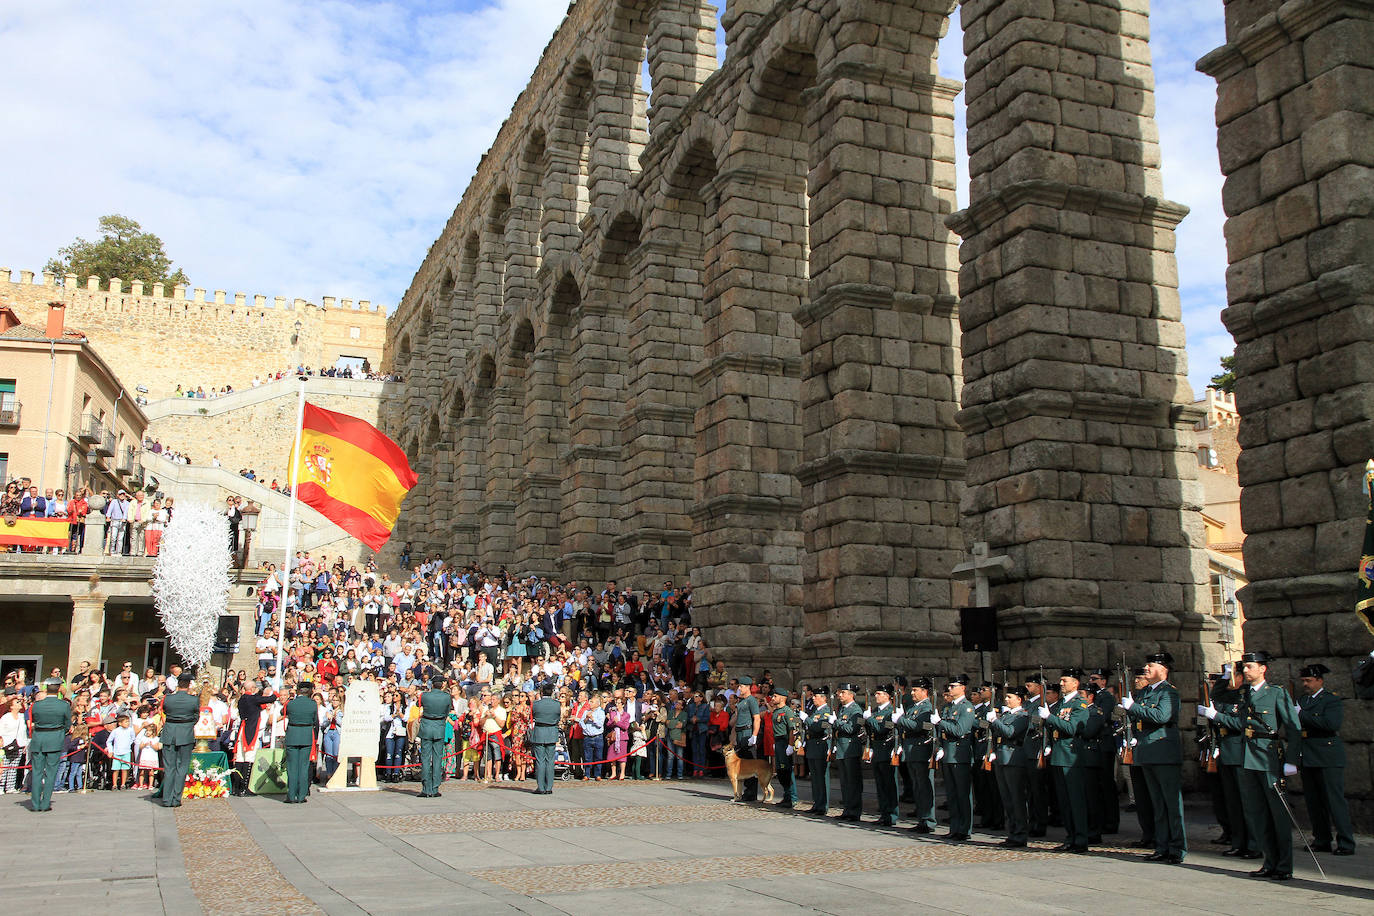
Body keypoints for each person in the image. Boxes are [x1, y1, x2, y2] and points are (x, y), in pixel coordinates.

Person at [1200, 649, 1300, 881]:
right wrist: (1217, 714)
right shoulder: (1244, 693)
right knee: (1256, 813)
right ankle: (1269, 861)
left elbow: (1293, 729)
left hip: (1268, 757)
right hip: (1247, 758)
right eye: (1243, 667)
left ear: (1262, 669)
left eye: (1249, 667)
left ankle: (1284, 865)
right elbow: (1233, 715)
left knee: (1277, 813)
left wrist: (1292, 760)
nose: (1245, 671)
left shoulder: (1276, 693)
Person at [1119, 652, 1185, 864]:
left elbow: (1162, 716)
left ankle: (1176, 848)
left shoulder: (1168, 693)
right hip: (1147, 751)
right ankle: (1162, 845)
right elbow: (1137, 717)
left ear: (1163, 669)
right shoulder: (1146, 691)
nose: (1146, 669)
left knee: (1172, 805)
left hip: (1164, 752)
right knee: (1157, 803)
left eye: (1150, 665)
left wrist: (1133, 707)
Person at [1295, 663, 1355, 855]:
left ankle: (1346, 842)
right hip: (1308, 755)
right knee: (1314, 802)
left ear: (1319, 681)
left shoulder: (1330, 700)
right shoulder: (1302, 700)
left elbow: (1331, 723)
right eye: (1303, 680)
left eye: (1309, 680)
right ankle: (1321, 839)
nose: (1305, 684)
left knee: (1334, 801)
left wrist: (1302, 715)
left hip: (1327, 756)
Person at [1037, 668, 1091, 852]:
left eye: (1065, 681)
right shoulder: (1060, 703)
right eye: (1061, 681)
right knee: (1064, 801)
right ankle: (1070, 836)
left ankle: (1081, 839)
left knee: (1076, 800)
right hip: (1059, 756)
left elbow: (1072, 727)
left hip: (1071, 756)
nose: (1061, 684)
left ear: (1075, 683)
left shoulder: (1079, 703)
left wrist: (1049, 717)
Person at [987, 685, 1031, 847]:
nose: (1006, 699)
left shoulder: (1022, 716)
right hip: (1002, 757)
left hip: (1014, 758)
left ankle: (1020, 834)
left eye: (1010, 697)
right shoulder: (1007, 714)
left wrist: (995, 721)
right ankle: (1012, 832)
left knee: (1017, 798)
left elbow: (1010, 732)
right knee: (1007, 798)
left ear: (1019, 700)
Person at [932, 674, 976, 841]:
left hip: (960, 755)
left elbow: (959, 730)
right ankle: (955, 827)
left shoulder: (967, 707)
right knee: (952, 794)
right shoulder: (948, 707)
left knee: (963, 794)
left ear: (962, 688)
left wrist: (940, 722)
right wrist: (940, 747)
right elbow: (943, 732)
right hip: (948, 754)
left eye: (953, 686)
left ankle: (965, 829)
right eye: (949, 686)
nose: (950, 689)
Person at [897, 677, 937, 833]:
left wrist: (901, 720)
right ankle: (922, 818)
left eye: (915, 690)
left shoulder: (927, 708)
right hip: (911, 751)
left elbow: (919, 727)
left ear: (924, 691)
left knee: (925, 786)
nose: (912, 693)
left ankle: (929, 820)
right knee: (918, 787)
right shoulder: (913, 708)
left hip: (921, 750)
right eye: (912, 690)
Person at [27, 678, 71, 812]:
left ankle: (35, 804)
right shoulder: (64, 705)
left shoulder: (37, 704)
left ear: (46, 689)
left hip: (39, 738)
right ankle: (45, 803)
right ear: (58, 689)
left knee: (37, 772)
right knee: (51, 773)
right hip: (55, 738)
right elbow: (68, 725)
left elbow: (34, 719)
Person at [158, 677, 199, 807]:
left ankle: (166, 799)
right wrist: (187, 725)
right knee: (182, 767)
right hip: (185, 734)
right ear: (188, 685)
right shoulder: (193, 700)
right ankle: (176, 798)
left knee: (169, 768)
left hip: (169, 733)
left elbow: (165, 711)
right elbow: (196, 717)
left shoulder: (168, 698)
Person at [863, 684, 899, 825]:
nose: (876, 696)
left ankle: (892, 815)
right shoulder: (877, 711)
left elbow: (881, 730)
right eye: (876, 693)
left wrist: (870, 718)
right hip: (877, 750)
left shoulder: (891, 711)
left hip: (886, 749)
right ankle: (884, 813)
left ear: (887, 696)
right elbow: (871, 732)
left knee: (889, 784)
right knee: (880, 785)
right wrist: (869, 747)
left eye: (879, 693)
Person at [833, 683, 866, 821]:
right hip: (842, 748)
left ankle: (854, 811)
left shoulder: (856, 710)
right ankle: (847, 809)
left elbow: (851, 729)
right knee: (845, 782)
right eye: (840, 693)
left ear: (851, 695)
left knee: (853, 782)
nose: (840, 695)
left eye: (843, 693)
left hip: (851, 749)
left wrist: (836, 722)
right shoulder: (842, 709)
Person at [418, 676, 454, 797]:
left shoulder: (425, 695)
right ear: (442, 685)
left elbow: (421, 707)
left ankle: (425, 788)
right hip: (439, 725)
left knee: (425, 758)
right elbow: (447, 711)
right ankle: (434, 788)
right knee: (438, 758)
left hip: (427, 725)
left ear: (432, 684)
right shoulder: (446, 697)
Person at [283, 682, 318, 803]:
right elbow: (315, 721)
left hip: (293, 734)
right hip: (306, 735)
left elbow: (286, 714)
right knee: (303, 767)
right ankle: (302, 795)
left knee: (292, 767)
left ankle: (291, 795)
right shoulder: (313, 704)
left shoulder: (291, 703)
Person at [801, 686, 833, 815]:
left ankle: (823, 805)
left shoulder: (826, 711)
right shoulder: (815, 710)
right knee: (815, 778)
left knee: (822, 777)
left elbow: (818, 727)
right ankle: (817, 803)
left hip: (821, 745)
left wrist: (806, 719)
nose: (813, 698)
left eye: (816, 696)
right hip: (812, 746)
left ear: (823, 698)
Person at [731, 675, 762, 801]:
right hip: (740, 732)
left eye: (742, 686)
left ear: (748, 687)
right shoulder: (741, 701)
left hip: (747, 732)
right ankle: (746, 791)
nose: (740, 688)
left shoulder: (751, 700)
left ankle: (751, 792)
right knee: (743, 764)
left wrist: (754, 735)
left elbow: (757, 718)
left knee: (750, 764)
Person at [770, 688, 800, 808]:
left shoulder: (787, 711)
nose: (772, 698)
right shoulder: (776, 711)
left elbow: (792, 729)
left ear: (782, 698)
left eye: (775, 696)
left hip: (785, 741)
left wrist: (790, 745)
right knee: (781, 770)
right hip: (778, 741)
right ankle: (786, 795)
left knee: (786, 769)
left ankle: (792, 797)